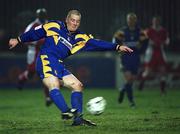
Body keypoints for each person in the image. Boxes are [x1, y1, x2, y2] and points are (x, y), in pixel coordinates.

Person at [9, 9, 133, 126]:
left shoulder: (79, 38)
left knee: (77, 85)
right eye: (72, 20)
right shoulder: (55, 26)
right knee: (53, 84)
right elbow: (35, 33)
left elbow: (97, 43)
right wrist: (18, 40)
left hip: (59, 64)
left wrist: (117, 47)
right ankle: (65, 111)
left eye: (77, 21)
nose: (75, 23)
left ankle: (78, 120)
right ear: (67, 19)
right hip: (45, 60)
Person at [17, 8, 52, 106]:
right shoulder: (32, 26)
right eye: (41, 15)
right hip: (34, 51)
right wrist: (40, 41)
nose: (42, 17)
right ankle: (22, 78)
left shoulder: (49, 24)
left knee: (46, 73)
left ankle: (48, 97)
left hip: (45, 52)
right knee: (31, 73)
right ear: (37, 16)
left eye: (43, 15)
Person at [112, 13, 147, 107]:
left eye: (133, 19)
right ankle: (132, 102)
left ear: (135, 20)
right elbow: (114, 41)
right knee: (128, 78)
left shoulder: (140, 31)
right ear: (127, 20)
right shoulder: (122, 31)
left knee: (132, 80)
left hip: (136, 57)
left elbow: (146, 42)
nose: (131, 21)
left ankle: (122, 89)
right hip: (125, 57)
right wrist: (119, 49)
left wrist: (141, 49)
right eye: (129, 19)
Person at [138, 16, 170, 94]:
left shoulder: (163, 31)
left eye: (157, 21)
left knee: (162, 71)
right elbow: (142, 38)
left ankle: (162, 90)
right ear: (152, 22)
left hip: (160, 51)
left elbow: (167, 39)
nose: (155, 22)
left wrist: (166, 42)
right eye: (154, 21)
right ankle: (141, 84)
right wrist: (149, 42)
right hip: (151, 52)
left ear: (159, 22)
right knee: (148, 71)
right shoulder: (149, 30)